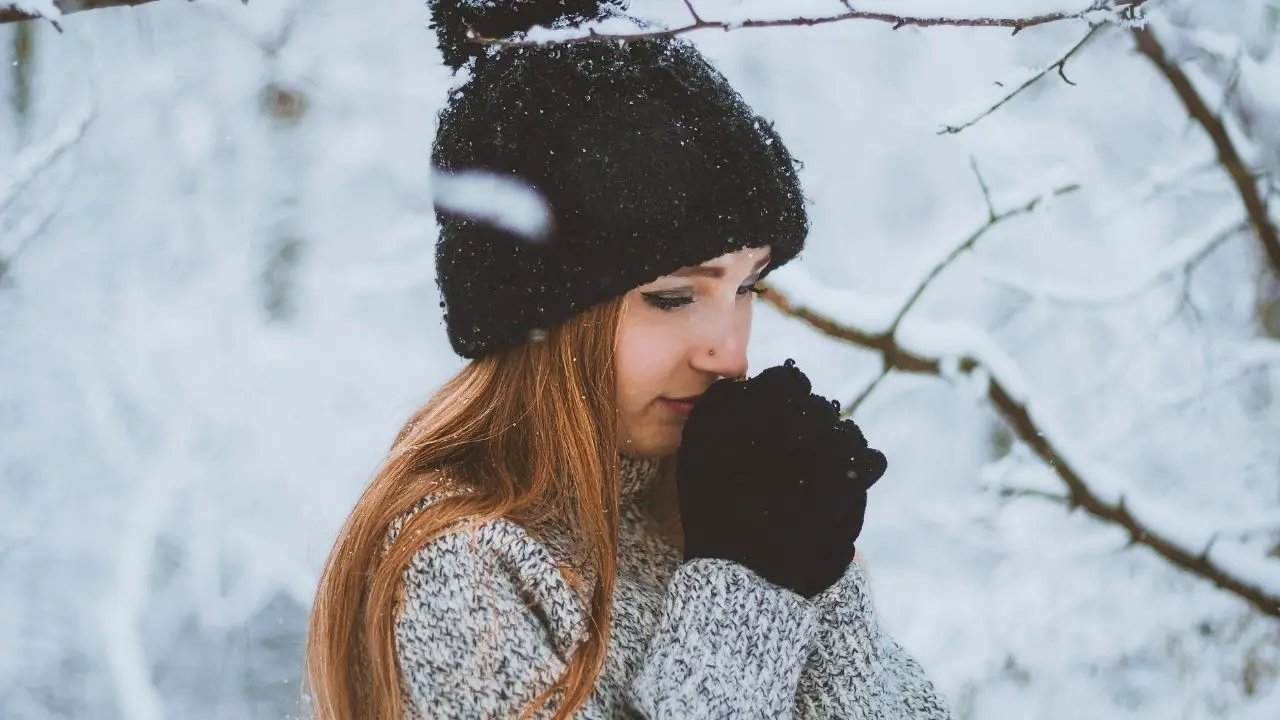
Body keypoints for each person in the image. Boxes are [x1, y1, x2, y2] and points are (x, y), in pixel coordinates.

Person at [304, 1, 954, 718]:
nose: (731, 353)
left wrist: (816, 569)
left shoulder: (715, 508)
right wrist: (749, 595)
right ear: (541, 318)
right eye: (674, 296)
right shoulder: (469, 568)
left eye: (748, 288)